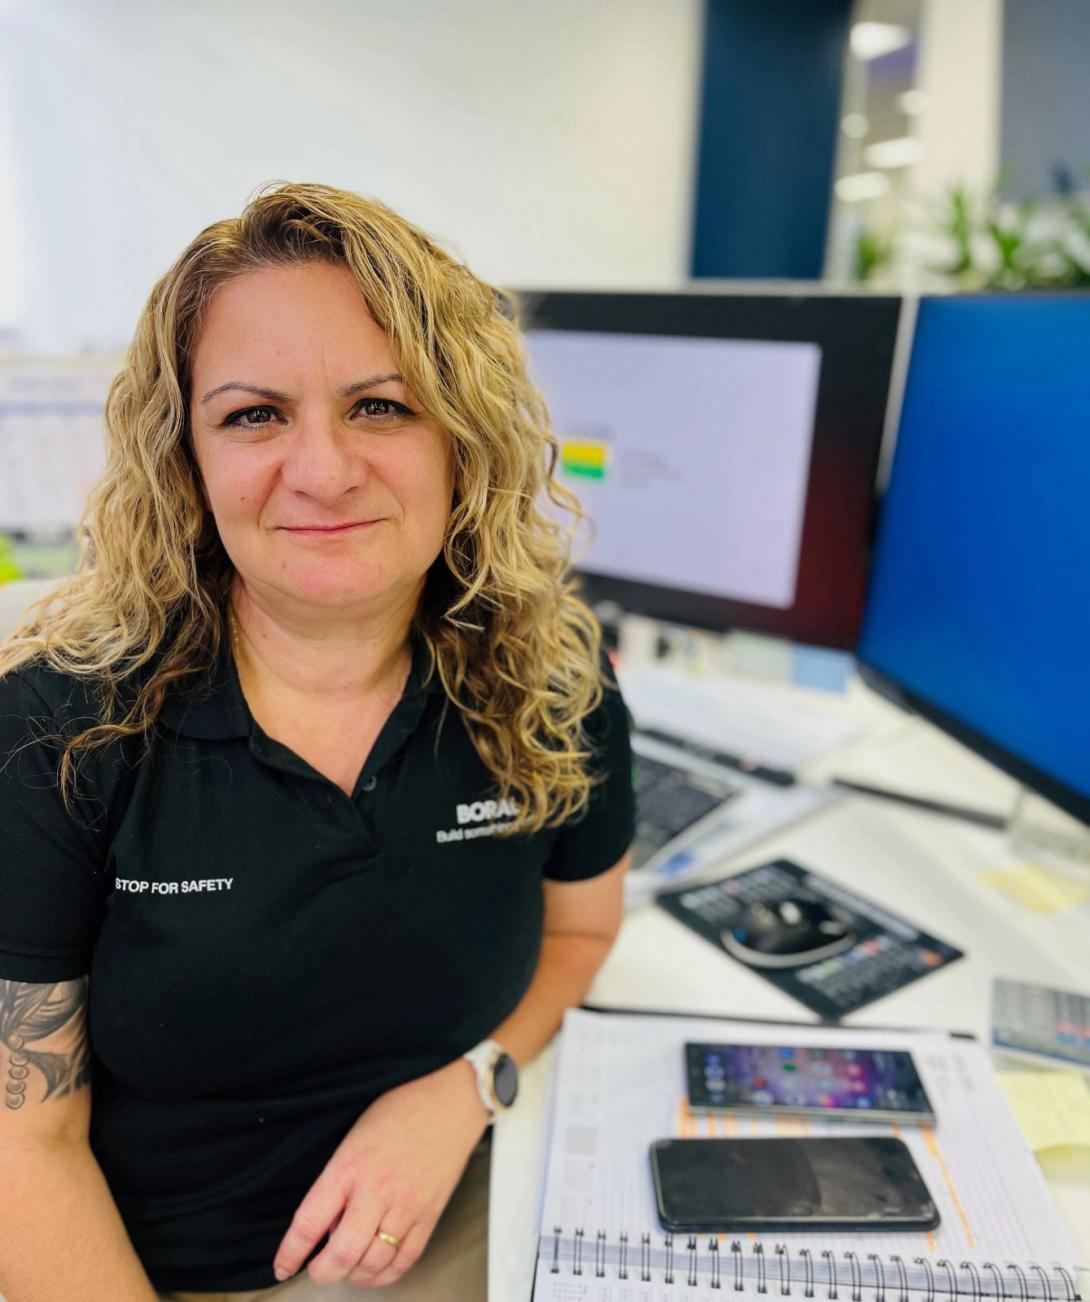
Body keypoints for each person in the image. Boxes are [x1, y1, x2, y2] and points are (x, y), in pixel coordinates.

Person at [0, 182, 634, 1301]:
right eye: (254, 415)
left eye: (381, 406)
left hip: (486, 1200)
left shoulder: (551, 675)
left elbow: (580, 930)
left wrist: (468, 1086)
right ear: (185, 458)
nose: (325, 470)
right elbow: (22, 1143)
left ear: (461, 438)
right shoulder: (61, 728)